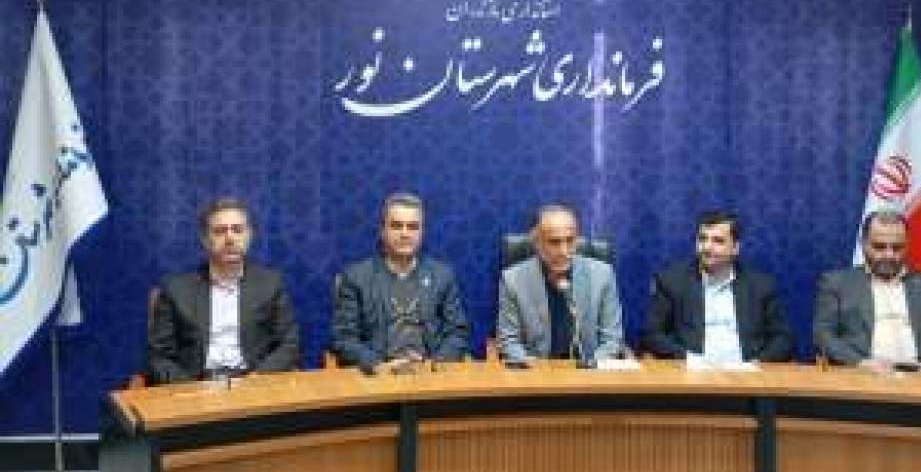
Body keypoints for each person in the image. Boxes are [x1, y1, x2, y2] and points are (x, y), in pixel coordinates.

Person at [148, 197, 300, 384]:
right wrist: (190, 387)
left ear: (249, 236)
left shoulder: (270, 284)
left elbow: (289, 344)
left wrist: (257, 379)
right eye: (220, 231)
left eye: (237, 230)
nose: (230, 238)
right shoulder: (176, 290)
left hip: (254, 382)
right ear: (205, 239)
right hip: (196, 384)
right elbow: (159, 357)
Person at [814, 210, 921, 374]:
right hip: (862, 376)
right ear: (863, 244)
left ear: (907, 245)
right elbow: (823, 336)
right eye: (879, 247)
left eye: (897, 248)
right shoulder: (837, 284)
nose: (889, 255)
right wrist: (860, 363)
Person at [332, 192, 469, 373]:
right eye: (397, 226)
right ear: (383, 231)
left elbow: (457, 333)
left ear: (421, 233)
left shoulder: (442, 276)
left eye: (412, 227)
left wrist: (436, 364)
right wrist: (377, 366)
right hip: (378, 377)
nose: (405, 234)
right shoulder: (356, 277)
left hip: (430, 374)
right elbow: (344, 339)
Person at [641, 210, 791, 363]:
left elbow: (783, 338)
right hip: (692, 370)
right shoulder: (671, 281)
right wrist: (690, 359)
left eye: (718, 241)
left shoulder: (761, 286)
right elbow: (652, 334)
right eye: (702, 239)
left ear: (735, 248)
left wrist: (757, 363)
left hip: (746, 370)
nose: (707, 247)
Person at [497, 204, 624, 364]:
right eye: (554, 242)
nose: (564, 251)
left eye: (570, 241)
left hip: (590, 371)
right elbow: (509, 342)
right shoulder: (512, 280)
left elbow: (612, 340)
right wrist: (538, 371)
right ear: (537, 243)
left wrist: (591, 367)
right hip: (537, 372)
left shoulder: (603, 275)